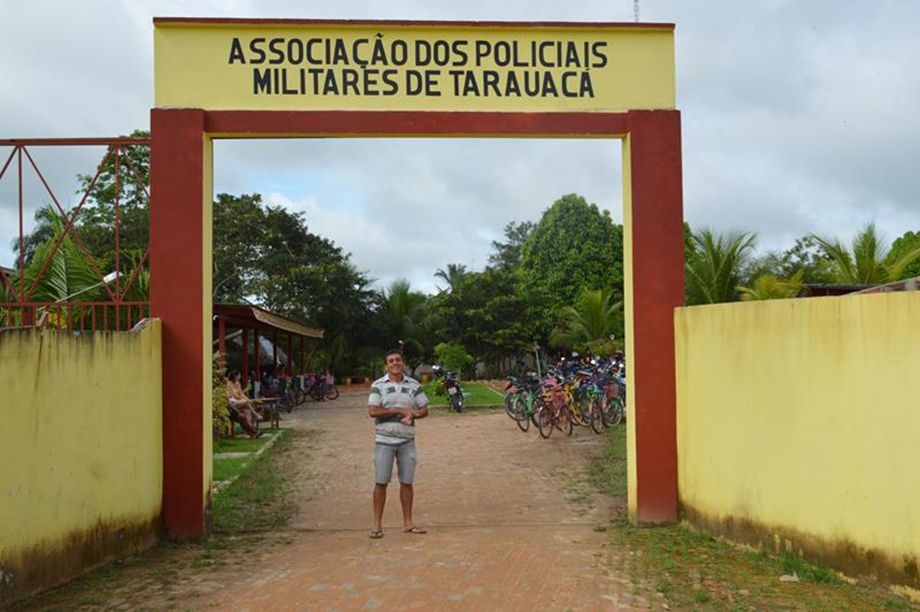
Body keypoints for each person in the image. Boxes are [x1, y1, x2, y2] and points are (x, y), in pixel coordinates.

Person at [367, 349, 429, 539]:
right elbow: (373, 410)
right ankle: (377, 525)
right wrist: (399, 411)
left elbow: (424, 409)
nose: (395, 363)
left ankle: (408, 523)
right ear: (386, 366)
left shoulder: (414, 385)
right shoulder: (379, 385)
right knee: (381, 482)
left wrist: (412, 414)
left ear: (403, 363)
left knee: (407, 482)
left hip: (407, 441)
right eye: (391, 361)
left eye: (398, 360)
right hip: (384, 440)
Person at [225, 370, 263, 438]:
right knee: (246, 406)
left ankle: (252, 432)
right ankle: (255, 415)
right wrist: (243, 400)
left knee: (247, 410)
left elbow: (242, 394)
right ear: (235, 376)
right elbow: (231, 396)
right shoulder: (228, 384)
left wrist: (246, 399)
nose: (240, 377)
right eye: (239, 375)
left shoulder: (238, 383)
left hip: (238, 403)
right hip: (233, 404)